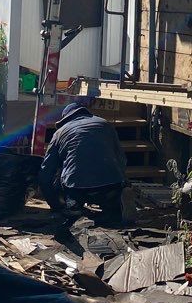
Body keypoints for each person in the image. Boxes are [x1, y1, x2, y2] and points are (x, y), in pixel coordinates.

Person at [38, 94, 127, 226]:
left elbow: (46, 172)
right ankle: (113, 210)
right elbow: (121, 158)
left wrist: (55, 204)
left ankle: (73, 208)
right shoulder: (104, 124)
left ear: (66, 118)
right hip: (110, 184)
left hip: (77, 187)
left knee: (71, 207)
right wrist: (121, 181)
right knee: (113, 211)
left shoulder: (60, 132)